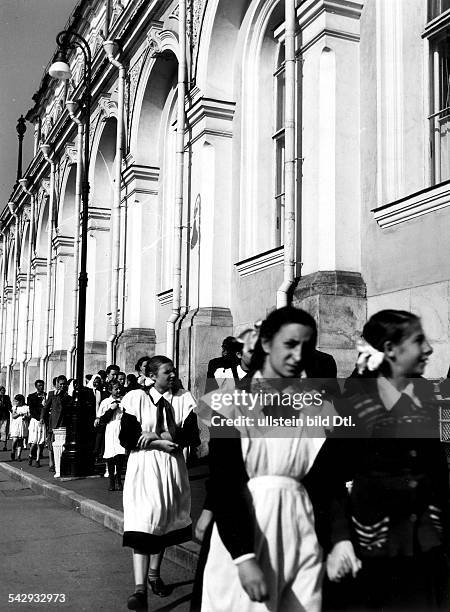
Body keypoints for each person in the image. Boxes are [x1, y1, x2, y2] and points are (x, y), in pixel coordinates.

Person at [200, 307, 355, 612]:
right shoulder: (232, 403)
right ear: (268, 344)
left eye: (306, 347)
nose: (299, 355)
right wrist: (244, 557)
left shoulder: (318, 409)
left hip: (303, 530)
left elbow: (328, 480)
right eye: (290, 344)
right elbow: (225, 481)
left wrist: (340, 540)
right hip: (247, 529)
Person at [324, 309, 450, 611]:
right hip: (372, 559)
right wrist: (340, 539)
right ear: (391, 350)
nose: (429, 349)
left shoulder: (427, 405)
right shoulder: (353, 409)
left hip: (425, 555)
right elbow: (327, 478)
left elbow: (438, 479)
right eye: (418, 340)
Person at [120, 355, 200, 608]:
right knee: (144, 520)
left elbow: (191, 436)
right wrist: (159, 443)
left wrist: (155, 434)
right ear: (153, 376)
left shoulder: (183, 399)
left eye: (174, 370)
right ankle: (139, 589)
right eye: (168, 372)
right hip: (144, 467)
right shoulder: (136, 398)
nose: (173, 375)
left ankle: (154, 575)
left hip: (171, 467)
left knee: (163, 519)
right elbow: (127, 437)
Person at [40, 375, 72, 472]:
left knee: (62, 443)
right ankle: (51, 462)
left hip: (63, 422)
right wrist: (42, 418)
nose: (62, 386)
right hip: (53, 421)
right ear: (57, 384)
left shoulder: (68, 395)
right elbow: (45, 407)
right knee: (51, 442)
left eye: (64, 384)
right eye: (60, 384)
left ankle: (61, 463)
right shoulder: (52, 394)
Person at [98, 381, 126, 491]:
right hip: (110, 428)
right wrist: (111, 409)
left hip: (120, 427)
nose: (118, 391)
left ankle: (118, 479)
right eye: (116, 389)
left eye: (119, 389)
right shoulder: (106, 402)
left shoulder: (124, 401)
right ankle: (111, 480)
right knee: (110, 455)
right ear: (110, 390)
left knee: (120, 454)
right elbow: (102, 419)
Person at [27, 380, 47, 467]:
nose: (41, 387)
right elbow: (31, 410)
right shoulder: (31, 397)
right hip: (35, 421)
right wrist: (39, 418)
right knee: (34, 442)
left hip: (42, 421)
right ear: (36, 386)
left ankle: (38, 460)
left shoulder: (46, 395)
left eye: (42, 385)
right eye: (39, 386)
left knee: (40, 442)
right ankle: (31, 455)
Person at [10, 394, 29, 462]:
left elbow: (29, 416)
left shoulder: (26, 407)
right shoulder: (15, 407)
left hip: (23, 425)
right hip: (16, 425)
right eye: (15, 401)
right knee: (15, 439)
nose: (16, 402)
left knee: (20, 441)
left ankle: (18, 456)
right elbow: (13, 416)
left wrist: (25, 416)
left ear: (21, 401)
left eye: (17, 401)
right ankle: (13, 451)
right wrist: (19, 414)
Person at [0, 386, 12, 452]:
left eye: (4, 390)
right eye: (2, 390)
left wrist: (12, 411)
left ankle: (5, 446)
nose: (3, 392)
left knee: (4, 431)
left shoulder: (7, 397)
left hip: (5, 416)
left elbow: (9, 405)